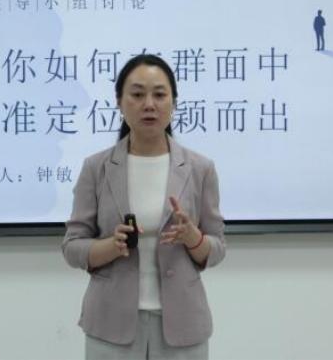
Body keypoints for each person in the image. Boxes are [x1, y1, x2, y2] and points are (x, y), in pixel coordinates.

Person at [62, 54, 226, 360]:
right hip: (111, 324)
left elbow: (217, 249)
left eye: (159, 95)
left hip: (182, 324)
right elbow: (72, 247)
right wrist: (111, 246)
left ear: (174, 102)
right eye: (137, 95)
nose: (149, 104)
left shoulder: (200, 168)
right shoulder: (96, 168)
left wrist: (194, 239)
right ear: (119, 102)